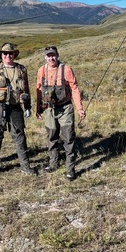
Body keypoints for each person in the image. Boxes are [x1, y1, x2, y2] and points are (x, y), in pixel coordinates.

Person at [0, 25, 37, 177]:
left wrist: (28, 106)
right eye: (5, 53)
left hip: (16, 108)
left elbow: (26, 90)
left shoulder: (22, 69)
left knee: (20, 137)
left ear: (14, 55)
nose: (7, 56)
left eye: (10, 53)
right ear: (1, 54)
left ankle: (25, 165)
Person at [36, 45, 86, 181]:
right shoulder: (41, 70)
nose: (51, 58)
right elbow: (38, 90)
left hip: (65, 109)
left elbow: (74, 89)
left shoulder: (66, 69)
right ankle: (53, 163)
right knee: (52, 137)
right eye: (48, 55)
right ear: (45, 57)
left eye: (53, 55)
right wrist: (38, 109)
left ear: (57, 55)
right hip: (49, 109)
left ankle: (70, 169)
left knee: (68, 138)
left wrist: (79, 108)